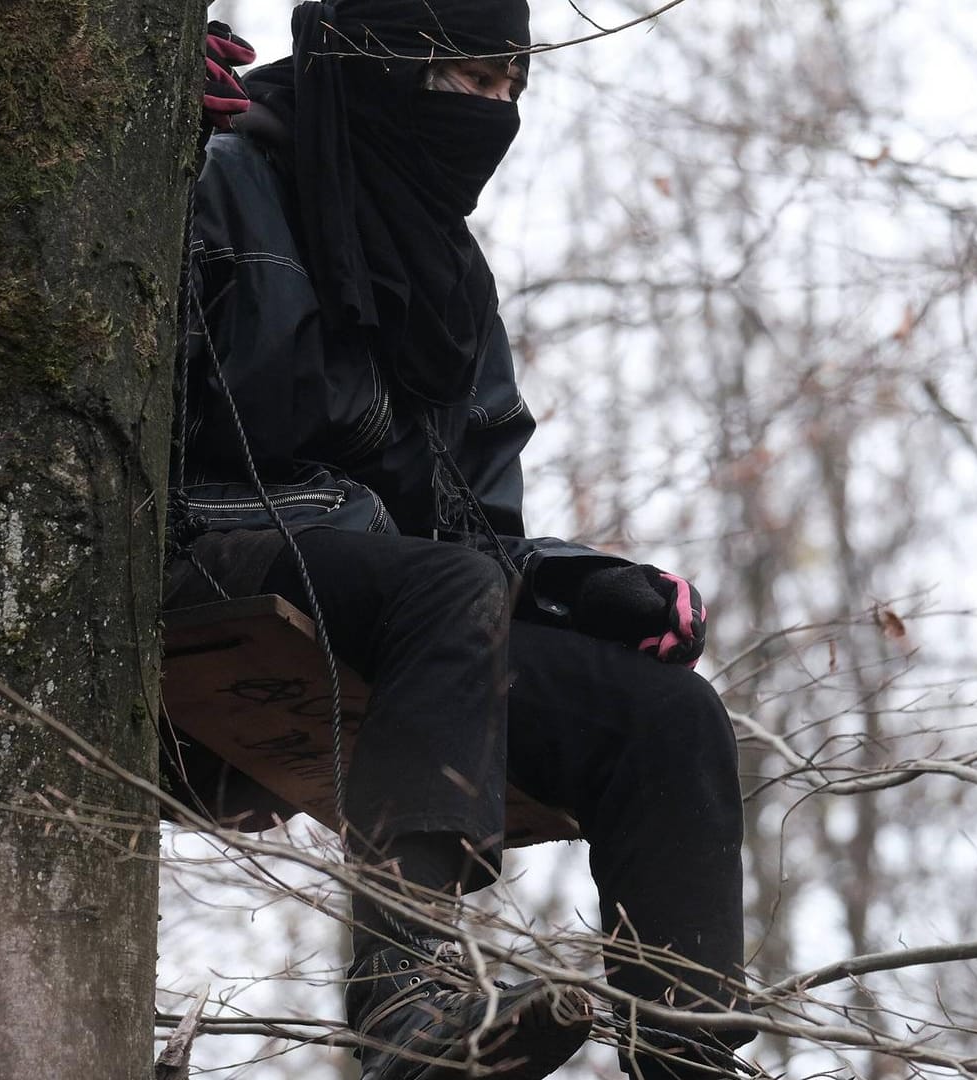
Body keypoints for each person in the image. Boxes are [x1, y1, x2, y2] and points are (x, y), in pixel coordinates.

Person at [164, 4, 752, 1078]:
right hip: (200, 554)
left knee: (670, 716)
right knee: (444, 589)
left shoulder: (448, 281)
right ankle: (405, 1003)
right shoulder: (223, 166)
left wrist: (587, 588)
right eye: (465, 81)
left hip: (396, 604)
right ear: (378, 65)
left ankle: (692, 1051)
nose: (491, 113)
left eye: (509, 89)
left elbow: (474, 526)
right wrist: (149, 134)